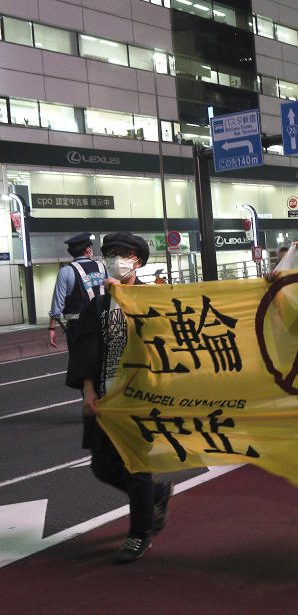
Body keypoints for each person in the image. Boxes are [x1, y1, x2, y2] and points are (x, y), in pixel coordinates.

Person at [66, 232, 172, 564]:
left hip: (140, 397)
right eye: (110, 253)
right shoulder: (97, 306)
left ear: (137, 261)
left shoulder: (152, 300)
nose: (115, 259)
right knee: (102, 465)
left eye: (122, 254)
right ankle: (157, 494)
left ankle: (139, 535)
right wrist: (88, 392)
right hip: (106, 398)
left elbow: (166, 342)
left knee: (134, 467)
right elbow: (85, 353)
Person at [48, 233, 107, 349]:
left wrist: (52, 328)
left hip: (78, 327)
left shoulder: (66, 271)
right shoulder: (102, 267)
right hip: (103, 323)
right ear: (88, 250)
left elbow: (57, 303)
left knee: (79, 363)